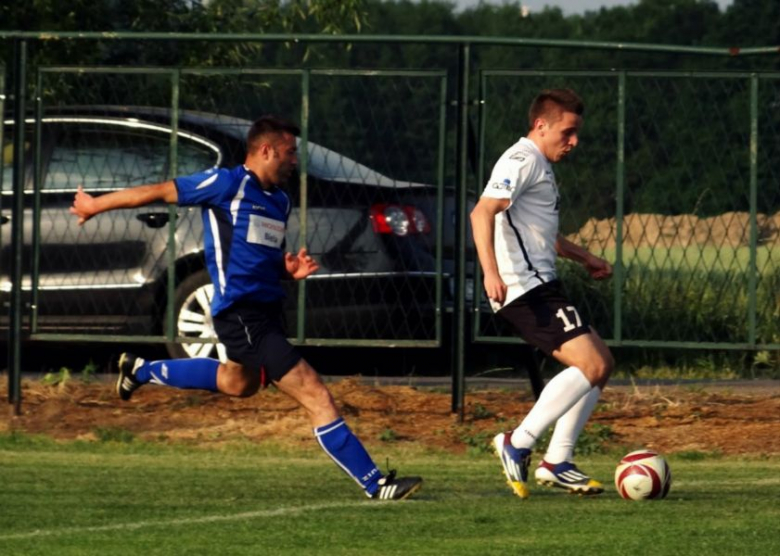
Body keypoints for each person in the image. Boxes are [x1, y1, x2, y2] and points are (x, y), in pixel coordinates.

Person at [70, 115, 422, 501]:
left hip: (268, 312)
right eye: (290, 153)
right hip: (242, 313)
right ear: (266, 150)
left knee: (239, 384)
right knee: (314, 391)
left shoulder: (280, 201)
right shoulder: (226, 183)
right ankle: (376, 484)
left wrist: (286, 270)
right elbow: (158, 190)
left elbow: (258, 256)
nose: (294, 161)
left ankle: (141, 370)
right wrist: (95, 204)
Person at [470, 89, 614, 499]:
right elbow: (482, 211)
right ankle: (518, 442)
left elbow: (539, 233)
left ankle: (558, 461)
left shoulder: (540, 166)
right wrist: (490, 273)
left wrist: (583, 256)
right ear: (541, 125)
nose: (574, 142)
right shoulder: (522, 159)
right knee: (590, 364)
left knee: (601, 363)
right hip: (522, 287)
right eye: (567, 133)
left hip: (539, 283)